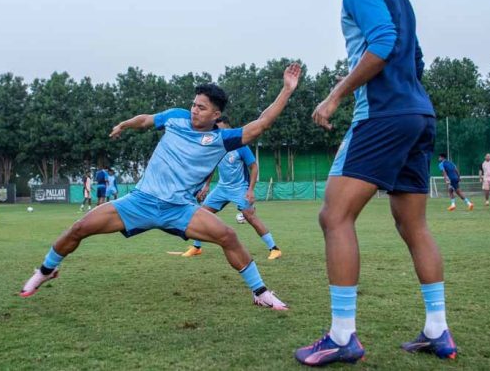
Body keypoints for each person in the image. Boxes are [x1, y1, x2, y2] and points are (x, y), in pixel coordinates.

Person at [296, 0, 456, 366]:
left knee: (334, 215)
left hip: (383, 114)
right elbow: (415, 55)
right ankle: (438, 330)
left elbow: (383, 43)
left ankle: (342, 335)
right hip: (418, 114)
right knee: (414, 225)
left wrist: (335, 95)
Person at [20, 65, 301, 314]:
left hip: (180, 209)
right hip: (141, 201)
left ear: (216, 114)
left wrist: (286, 90)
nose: (194, 110)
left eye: (201, 107)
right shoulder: (176, 118)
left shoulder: (222, 139)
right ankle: (46, 270)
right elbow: (145, 120)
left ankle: (261, 293)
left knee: (228, 236)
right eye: (194, 104)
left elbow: (262, 123)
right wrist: (125, 125)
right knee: (80, 226)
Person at [180, 116, 282, 260]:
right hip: (221, 188)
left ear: (228, 127)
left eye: (220, 128)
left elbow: (253, 167)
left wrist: (250, 190)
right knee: (201, 213)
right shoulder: (216, 146)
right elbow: (212, 167)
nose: (218, 132)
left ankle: (274, 249)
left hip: (239, 188)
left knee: (250, 216)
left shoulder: (241, 146)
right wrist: (206, 186)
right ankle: (197, 247)